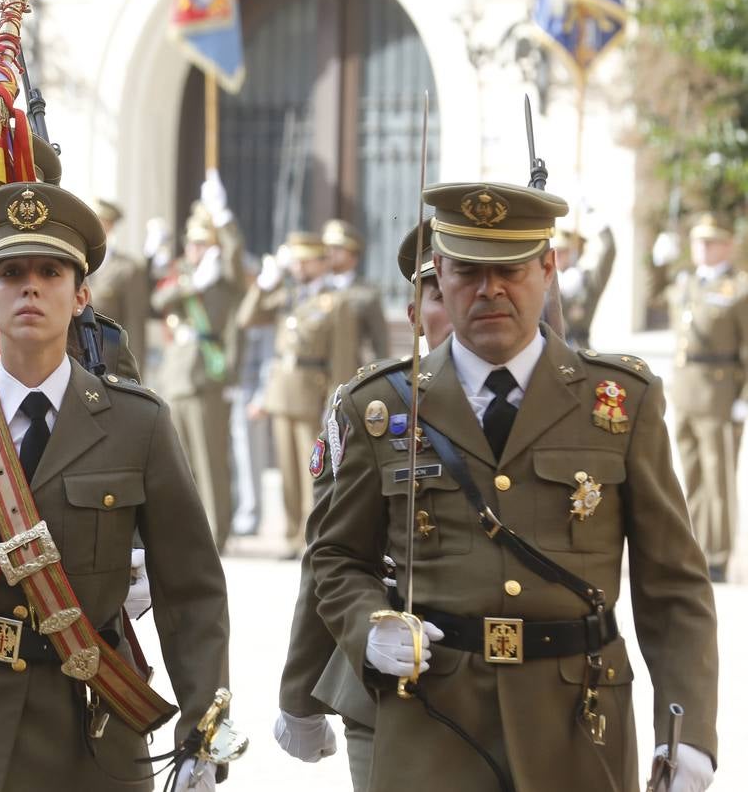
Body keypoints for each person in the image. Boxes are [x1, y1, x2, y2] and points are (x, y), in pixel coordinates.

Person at [312, 182, 718, 791]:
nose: (490, 290)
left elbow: (673, 584)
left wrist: (686, 734)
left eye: (511, 269)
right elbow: (338, 556)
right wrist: (370, 624)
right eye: (470, 271)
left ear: (548, 267)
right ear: (439, 274)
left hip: (579, 724)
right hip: (434, 720)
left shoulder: (619, 402)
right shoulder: (382, 407)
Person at [0, 181, 231, 791]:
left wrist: (201, 732)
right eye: (9, 272)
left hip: (87, 726)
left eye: (51, 271)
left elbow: (190, 589)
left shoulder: (139, 424)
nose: (29, 285)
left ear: (81, 294)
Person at [274, 220, 450, 791]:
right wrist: (299, 695)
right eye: (441, 293)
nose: (470, 303)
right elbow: (333, 553)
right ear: (415, 315)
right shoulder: (375, 409)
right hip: (395, 682)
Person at [238, 231, 358, 557]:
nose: (298, 267)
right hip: (281, 391)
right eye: (296, 260)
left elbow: (343, 359)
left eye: (305, 260)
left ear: (322, 262)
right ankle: (291, 535)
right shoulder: (287, 296)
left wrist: (335, 404)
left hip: (312, 393)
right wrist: (264, 284)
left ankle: (312, 537)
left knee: (312, 472)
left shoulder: (336, 302)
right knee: (288, 472)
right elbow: (246, 318)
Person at [151, 171, 245, 551]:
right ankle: (187, 531)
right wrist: (192, 283)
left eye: (203, 244)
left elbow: (237, 261)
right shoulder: (187, 276)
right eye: (191, 243)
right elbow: (159, 300)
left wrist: (224, 218)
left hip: (208, 378)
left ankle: (215, 534)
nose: (194, 250)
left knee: (210, 464)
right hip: (175, 380)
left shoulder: (224, 277)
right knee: (182, 464)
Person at [656, 213, 748, 583]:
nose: (702, 249)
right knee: (690, 474)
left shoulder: (738, 289)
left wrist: (744, 395)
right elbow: (655, 296)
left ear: (727, 245)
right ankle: (694, 546)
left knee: (718, 477)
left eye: (710, 242)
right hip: (686, 388)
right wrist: (659, 263)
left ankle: (719, 555)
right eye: (697, 242)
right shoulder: (686, 283)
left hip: (720, 392)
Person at [86, 198, 151, 368]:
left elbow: (135, 327)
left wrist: (135, 374)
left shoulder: (128, 269)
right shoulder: (75, 263)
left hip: (109, 363)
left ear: (109, 226)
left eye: (100, 222)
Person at [323, 219, 391, 363]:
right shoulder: (315, 289)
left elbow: (380, 342)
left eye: (338, 248)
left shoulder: (366, 294)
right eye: (327, 248)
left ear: (354, 256)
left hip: (347, 373)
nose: (330, 253)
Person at [554, 219, 615, 350]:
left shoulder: (587, 280)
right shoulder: (544, 280)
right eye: (555, 251)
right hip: (549, 350)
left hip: (578, 349)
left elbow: (609, 252)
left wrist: (598, 220)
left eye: (563, 251)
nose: (557, 256)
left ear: (576, 253)